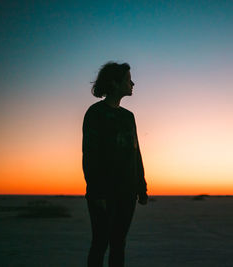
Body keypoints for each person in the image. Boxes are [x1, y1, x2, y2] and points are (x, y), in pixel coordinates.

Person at [82, 61, 148, 267]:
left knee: (119, 244)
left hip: (127, 192)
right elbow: (90, 155)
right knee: (100, 243)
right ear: (114, 83)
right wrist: (97, 191)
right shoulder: (95, 114)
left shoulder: (128, 117)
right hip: (103, 193)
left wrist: (141, 186)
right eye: (128, 80)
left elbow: (136, 154)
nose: (133, 84)